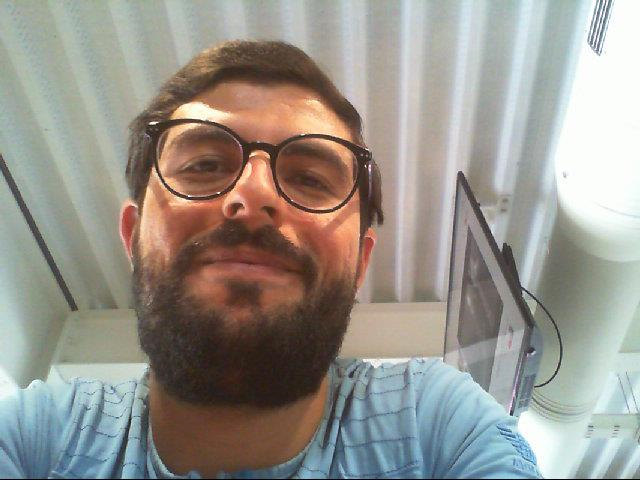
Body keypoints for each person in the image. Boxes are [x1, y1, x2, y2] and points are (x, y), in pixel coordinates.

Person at [0, 40, 541, 479]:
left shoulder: (438, 428)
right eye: (204, 165)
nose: (253, 194)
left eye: (309, 179)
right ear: (133, 235)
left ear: (359, 264)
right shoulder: (35, 440)